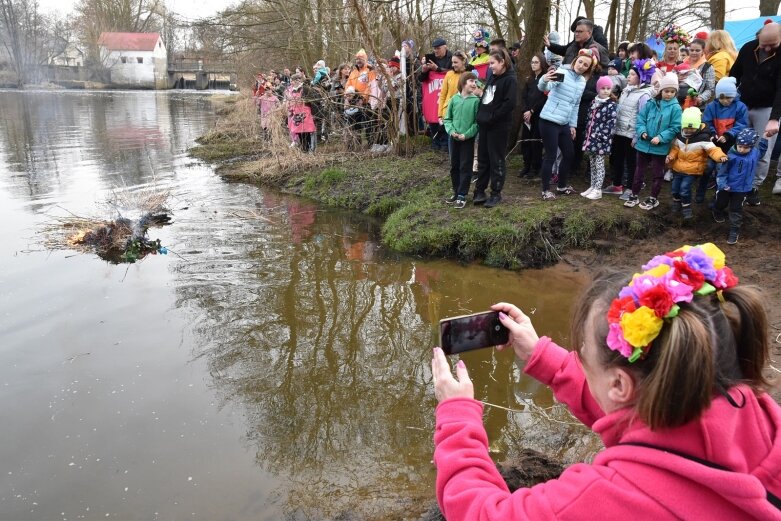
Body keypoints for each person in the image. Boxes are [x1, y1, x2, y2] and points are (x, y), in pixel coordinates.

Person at [431, 244, 781, 520]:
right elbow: (633, 407)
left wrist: (458, 416)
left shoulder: (605, 498)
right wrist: (541, 356)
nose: (579, 356)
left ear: (619, 385)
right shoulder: (762, 416)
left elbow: (480, 513)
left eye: (583, 353)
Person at [730, 22, 781, 202]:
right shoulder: (748, 48)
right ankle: (734, 180)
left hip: (767, 109)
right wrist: (727, 95)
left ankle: (753, 186)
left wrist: (774, 118)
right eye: (764, 43)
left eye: (772, 44)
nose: (767, 48)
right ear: (758, 36)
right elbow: (735, 73)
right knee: (738, 144)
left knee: (762, 149)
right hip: (743, 105)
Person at [537, 48, 597, 200]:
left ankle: (562, 186)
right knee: (550, 156)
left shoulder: (582, 81)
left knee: (569, 154)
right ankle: (545, 190)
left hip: (564, 123)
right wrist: (544, 79)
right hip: (549, 120)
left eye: (585, 65)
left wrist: (572, 125)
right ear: (575, 60)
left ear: (588, 68)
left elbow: (575, 105)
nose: (581, 65)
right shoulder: (562, 73)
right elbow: (544, 88)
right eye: (580, 62)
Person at [624, 73, 682, 210]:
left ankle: (653, 198)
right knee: (639, 171)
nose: (669, 94)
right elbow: (641, 119)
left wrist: (661, 138)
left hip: (659, 147)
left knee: (657, 173)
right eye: (666, 91)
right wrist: (642, 132)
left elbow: (675, 127)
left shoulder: (676, 108)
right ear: (661, 90)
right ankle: (634, 194)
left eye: (672, 92)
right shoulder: (651, 103)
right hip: (644, 144)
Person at [604, 59, 656, 199]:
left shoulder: (644, 95)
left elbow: (643, 116)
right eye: (629, 74)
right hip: (620, 131)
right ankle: (617, 184)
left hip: (631, 134)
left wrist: (637, 136)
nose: (628, 76)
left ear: (641, 77)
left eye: (632, 74)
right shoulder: (626, 90)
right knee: (617, 159)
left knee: (632, 162)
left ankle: (631, 188)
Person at [473, 49, 518, 208]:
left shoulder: (510, 80)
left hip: (498, 127)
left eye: (492, 63)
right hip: (484, 124)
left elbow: (509, 104)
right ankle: (480, 190)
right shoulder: (492, 78)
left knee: (496, 160)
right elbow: (485, 97)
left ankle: (495, 193)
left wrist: (492, 117)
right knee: (483, 159)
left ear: (502, 62)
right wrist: (481, 115)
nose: (490, 66)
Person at [665, 107, 728, 219]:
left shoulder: (703, 137)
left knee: (684, 189)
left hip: (693, 169)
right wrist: (670, 156)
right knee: (675, 188)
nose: (689, 131)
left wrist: (721, 156)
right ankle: (677, 202)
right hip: (678, 168)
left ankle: (687, 207)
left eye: (692, 128)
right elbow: (675, 148)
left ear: (698, 126)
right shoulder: (680, 135)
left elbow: (713, 149)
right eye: (686, 128)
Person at [696, 76, 749, 204]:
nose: (725, 101)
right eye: (722, 97)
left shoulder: (740, 107)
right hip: (712, 144)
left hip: (730, 145)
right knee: (707, 168)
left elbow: (741, 125)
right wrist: (712, 133)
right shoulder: (711, 107)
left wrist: (728, 135)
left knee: (722, 172)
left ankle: (718, 200)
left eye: (729, 98)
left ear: (734, 95)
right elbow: (706, 122)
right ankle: (700, 194)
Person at [714, 128, 770, 244]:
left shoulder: (754, 153)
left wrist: (765, 138)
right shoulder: (730, 156)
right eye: (740, 146)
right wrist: (723, 185)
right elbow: (722, 172)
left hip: (742, 189)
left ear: (751, 146)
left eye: (746, 147)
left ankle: (734, 231)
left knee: (736, 209)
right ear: (736, 143)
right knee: (721, 203)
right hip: (727, 187)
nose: (742, 149)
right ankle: (717, 211)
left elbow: (762, 152)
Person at [443, 72, 480, 209]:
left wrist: (467, 135)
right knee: (454, 165)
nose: (474, 84)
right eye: (471, 81)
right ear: (463, 82)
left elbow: (477, 123)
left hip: (467, 139)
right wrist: (451, 131)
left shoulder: (476, 101)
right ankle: (456, 191)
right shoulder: (454, 99)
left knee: (465, 165)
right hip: (454, 138)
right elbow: (448, 119)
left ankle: (462, 194)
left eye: (475, 82)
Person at [581, 76, 618, 200]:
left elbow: (611, 124)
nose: (606, 91)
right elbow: (589, 119)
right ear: (598, 89)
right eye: (603, 88)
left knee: (599, 163)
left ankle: (598, 189)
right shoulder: (594, 102)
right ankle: (592, 186)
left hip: (602, 141)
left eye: (608, 88)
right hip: (591, 139)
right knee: (592, 162)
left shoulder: (611, 105)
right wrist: (587, 134)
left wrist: (601, 136)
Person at [419, 38, 454, 151]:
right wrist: (424, 71)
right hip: (433, 94)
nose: (436, 51)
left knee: (445, 117)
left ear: (445, 47)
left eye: (438, 48)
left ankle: (445, 143)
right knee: (433, 117)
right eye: (434, 49)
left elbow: (454, 71)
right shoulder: (431, 58)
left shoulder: (452, 58)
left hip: (448, 93)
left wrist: (437, 69)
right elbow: (421, 79)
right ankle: (435, 142)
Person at [519, 53, 548, 179]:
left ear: (541, 63)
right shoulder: (529, 79)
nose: (533, 64)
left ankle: (535, 167)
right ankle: (527, 165)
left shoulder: (545, 79)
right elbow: (524, 96)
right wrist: (526, 111)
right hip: (526, 116)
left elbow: (543, 98)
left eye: (536, 62)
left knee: (535, 142)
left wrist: (532, 111)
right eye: (532, 62)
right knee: (526, 141)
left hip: (538, 115)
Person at [543, 18, 609, 69]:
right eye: (576, 31)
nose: (576, 34)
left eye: (580, 31)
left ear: (589, 33)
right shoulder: (571, 47)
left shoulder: (599, 48)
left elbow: (605, 71)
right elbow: (564, 63)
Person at [438, 51, 470, 137]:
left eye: (455, 62)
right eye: (452, 62)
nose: (453, 65)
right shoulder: (449, 74)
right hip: (448, 113)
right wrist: (440, 115)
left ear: (463, 61)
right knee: (451, 142)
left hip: (463, 114)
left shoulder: (469, 75)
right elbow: (442, 95)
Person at [685, 38, 716, 109]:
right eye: (691, 50)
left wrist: (700, 99)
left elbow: (710, 89)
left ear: (703, 51)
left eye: (697, 50)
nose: (694, 52)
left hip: (696, 107)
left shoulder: (707, 67)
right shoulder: (681, 63)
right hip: (679, 103)